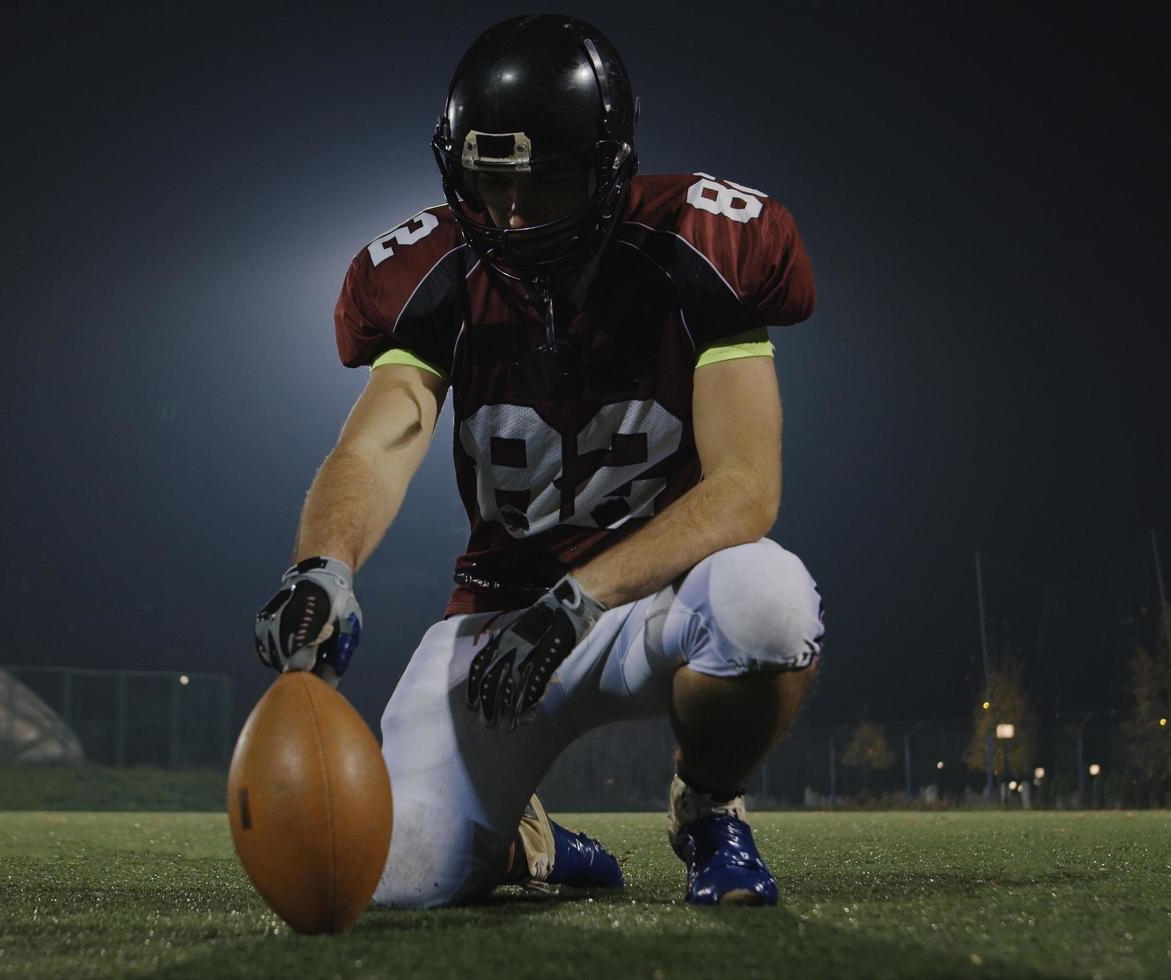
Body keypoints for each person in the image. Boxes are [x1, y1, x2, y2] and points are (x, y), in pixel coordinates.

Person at [253, 14, 824, 908]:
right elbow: (379, 438)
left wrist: (581, 597)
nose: (512, 212)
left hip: (657, 601)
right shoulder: (431, 271)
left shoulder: (701, 248)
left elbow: (745, 492)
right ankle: (530, 847)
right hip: (502, 619)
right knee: (399, 878)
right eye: (489, 181)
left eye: (544, 182)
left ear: (606, 168)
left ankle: (709, 811)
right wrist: (323, 564)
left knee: (768, 600)